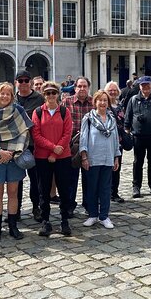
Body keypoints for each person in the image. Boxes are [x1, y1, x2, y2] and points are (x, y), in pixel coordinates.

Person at [0, 82, 32, 242]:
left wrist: (12, 152)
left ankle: (13, 226)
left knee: (13, 193)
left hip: (14, 157)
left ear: (12, 96)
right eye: (1, 93)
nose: (4, 96)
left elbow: (24, 133)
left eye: (8, 94)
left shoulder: (18, 111)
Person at [31, 81, 73, 237]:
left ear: (58, 94)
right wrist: (52, 148)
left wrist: (56, 152)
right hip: (42, 156)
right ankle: (46, 220)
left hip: (62, 156)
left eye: (53, 93)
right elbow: (36, 134)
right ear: (44, 95)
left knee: (63, 188)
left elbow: (67, 133)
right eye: (48, 93)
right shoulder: (38, 112)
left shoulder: (64, 111)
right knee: (43, 189)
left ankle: (64, 220)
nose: (51, 96)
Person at [79, 90, 121, 229]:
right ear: (95, 102)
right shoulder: (89, 118)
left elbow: (115, 139)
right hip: (93, 158)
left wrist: (116, 157)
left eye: (105, 100)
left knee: (105, 188)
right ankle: (92, 214)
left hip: (108, 157)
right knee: (92, 187)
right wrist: (84, 156)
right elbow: (83, 138)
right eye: (100, 100)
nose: (102, 103)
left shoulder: (111, 119)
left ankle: (104, 216)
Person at [125, 76, 151, 198]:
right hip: (138, 136)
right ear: (140, 87)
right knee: (138, 162)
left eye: (147, 85)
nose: (145, 88)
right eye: (143, 85)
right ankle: (136, 186)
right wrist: (127, 132)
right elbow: (128, 117)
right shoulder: (133, 100)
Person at [14, 70, 45, 222]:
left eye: (26, 80)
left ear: (31, 82)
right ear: (16, 83)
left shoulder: (39, 98)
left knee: (36, 179)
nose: (24, 83)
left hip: (33, 144)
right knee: (16, 180)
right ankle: (16, 209)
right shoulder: (12, 99)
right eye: (21, 80)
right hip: (15, 145)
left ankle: (36, 207)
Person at [62, 76, 94, 216]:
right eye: (79, 86)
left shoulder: (94, 102)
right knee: (71, 178)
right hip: (71, 145)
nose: (82, 89)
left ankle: (88, 204)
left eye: (84, 86)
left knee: (89, 177)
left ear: (88, 88)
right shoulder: (66, 102)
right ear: (75, 88)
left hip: (90, 145)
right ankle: (69, 205)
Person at [104, 81, 126, 203]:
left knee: (116, 167)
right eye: (110, 90)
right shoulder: (103, 105)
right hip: (106, 142)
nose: (112, 92)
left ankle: (114, 192)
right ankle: (105, 192)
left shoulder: (120, 105)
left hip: (119, 142)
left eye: (114, 90)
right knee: (106, 167)